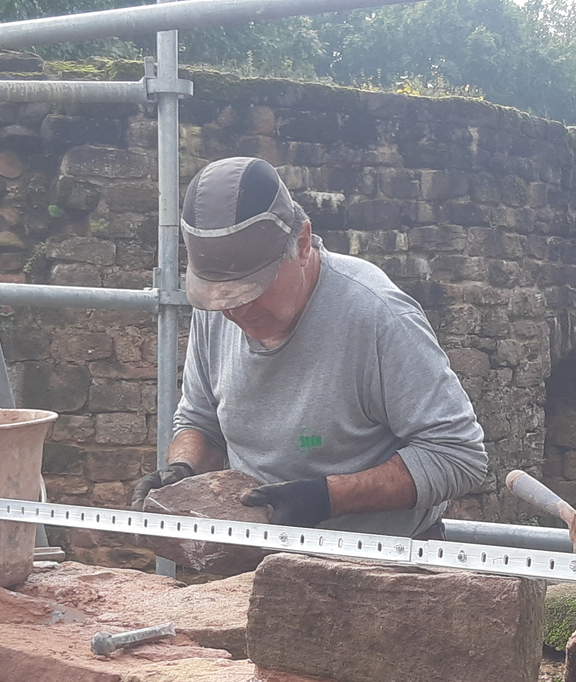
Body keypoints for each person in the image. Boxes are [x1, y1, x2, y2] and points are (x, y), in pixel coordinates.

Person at [133, 156, 489, 536]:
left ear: (302, 244)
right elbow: (201, 421)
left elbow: (457, 456)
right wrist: (183, 469)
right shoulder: (220, 309)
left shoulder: (378, 318)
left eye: (252, 288)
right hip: (256, 553)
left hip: (377, 559)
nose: (236, 311)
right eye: (220, 295)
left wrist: (326, 499)